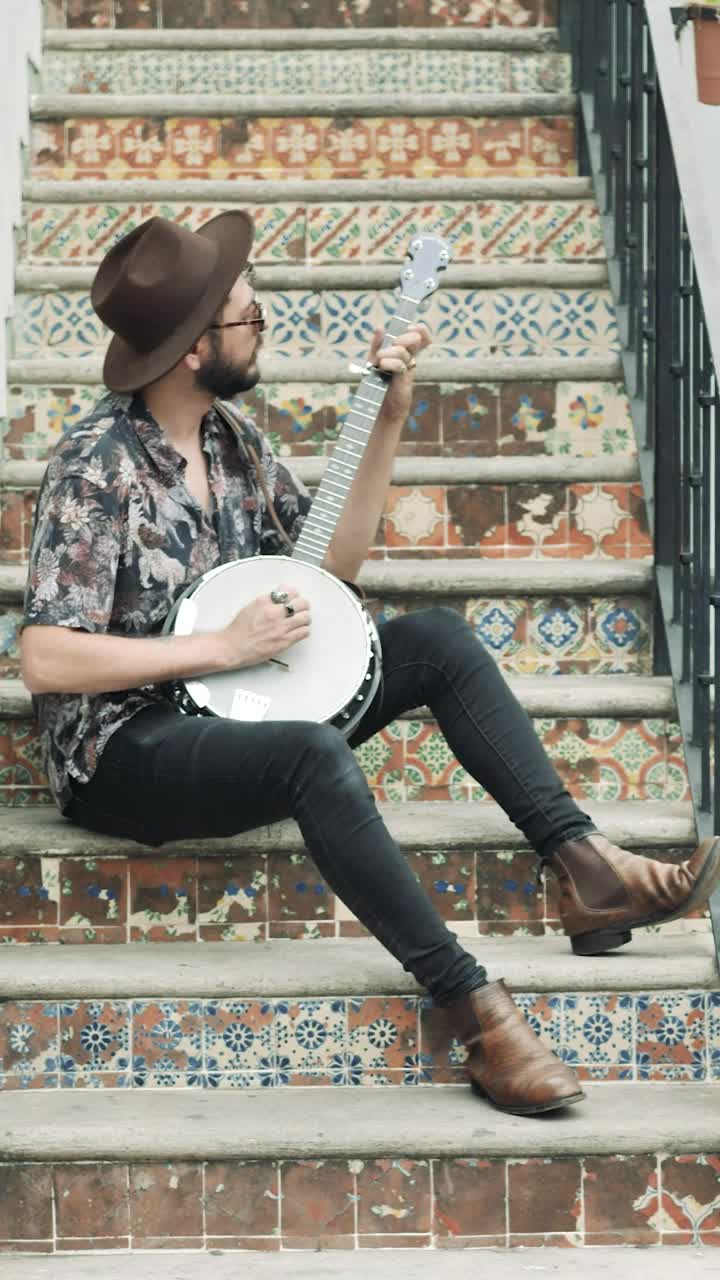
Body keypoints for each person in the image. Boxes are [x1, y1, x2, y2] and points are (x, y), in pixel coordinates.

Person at [20, 213, 720, 1118]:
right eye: (246, 315)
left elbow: (332, 573)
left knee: (435, 640)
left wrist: (388, 416)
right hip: (124, 749)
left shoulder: (236, 445)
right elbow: (44, 657)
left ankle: (584, 869)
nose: (262, 319)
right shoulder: (95, 464)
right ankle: (471, 1006)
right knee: (313, 754)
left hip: (232, 707)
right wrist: (220, 648)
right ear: (195, 348)